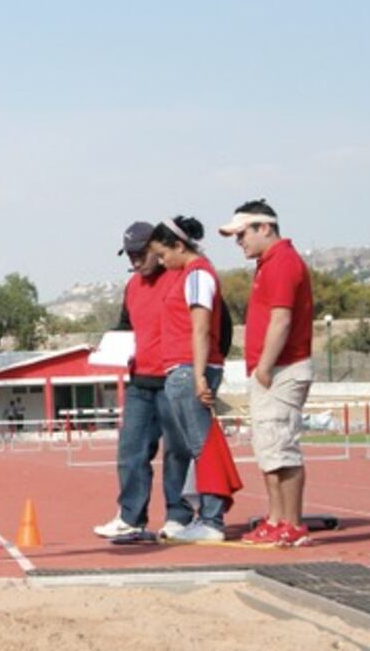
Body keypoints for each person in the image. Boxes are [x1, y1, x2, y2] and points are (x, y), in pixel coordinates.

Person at [220, 200, 314, 547]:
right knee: (269, 449)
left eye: (242, 234)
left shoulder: (283, 262)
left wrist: (264, 366)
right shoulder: (268, 263)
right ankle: (276, 519)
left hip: (281, 368)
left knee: (281, 447)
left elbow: (282, 318)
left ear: (264, 227)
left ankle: (293, 523)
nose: (239, 242)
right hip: (271, 368)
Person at [94, 222, 194, 540]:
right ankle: (130, 517)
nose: (136, 262)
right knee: (131, 451)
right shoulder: (133, 286)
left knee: (177, 451)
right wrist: (109, 345)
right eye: (130, 256)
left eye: (141, 254)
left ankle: (179, 516)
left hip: (174, 379)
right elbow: (126, 326)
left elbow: (212, 323)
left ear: (156, 248)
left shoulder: (181, 277)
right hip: (140, 382)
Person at [148, 216, 228, 542]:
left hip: (189, 368)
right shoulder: (188, 275)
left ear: (179, 246)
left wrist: (199, 376)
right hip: (181, 369)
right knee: (197, 446)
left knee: (201, 446)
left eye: (163, 254)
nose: (161, 262)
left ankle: (211, 520)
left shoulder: (197, 275)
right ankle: (206, 516)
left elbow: (201, 328)